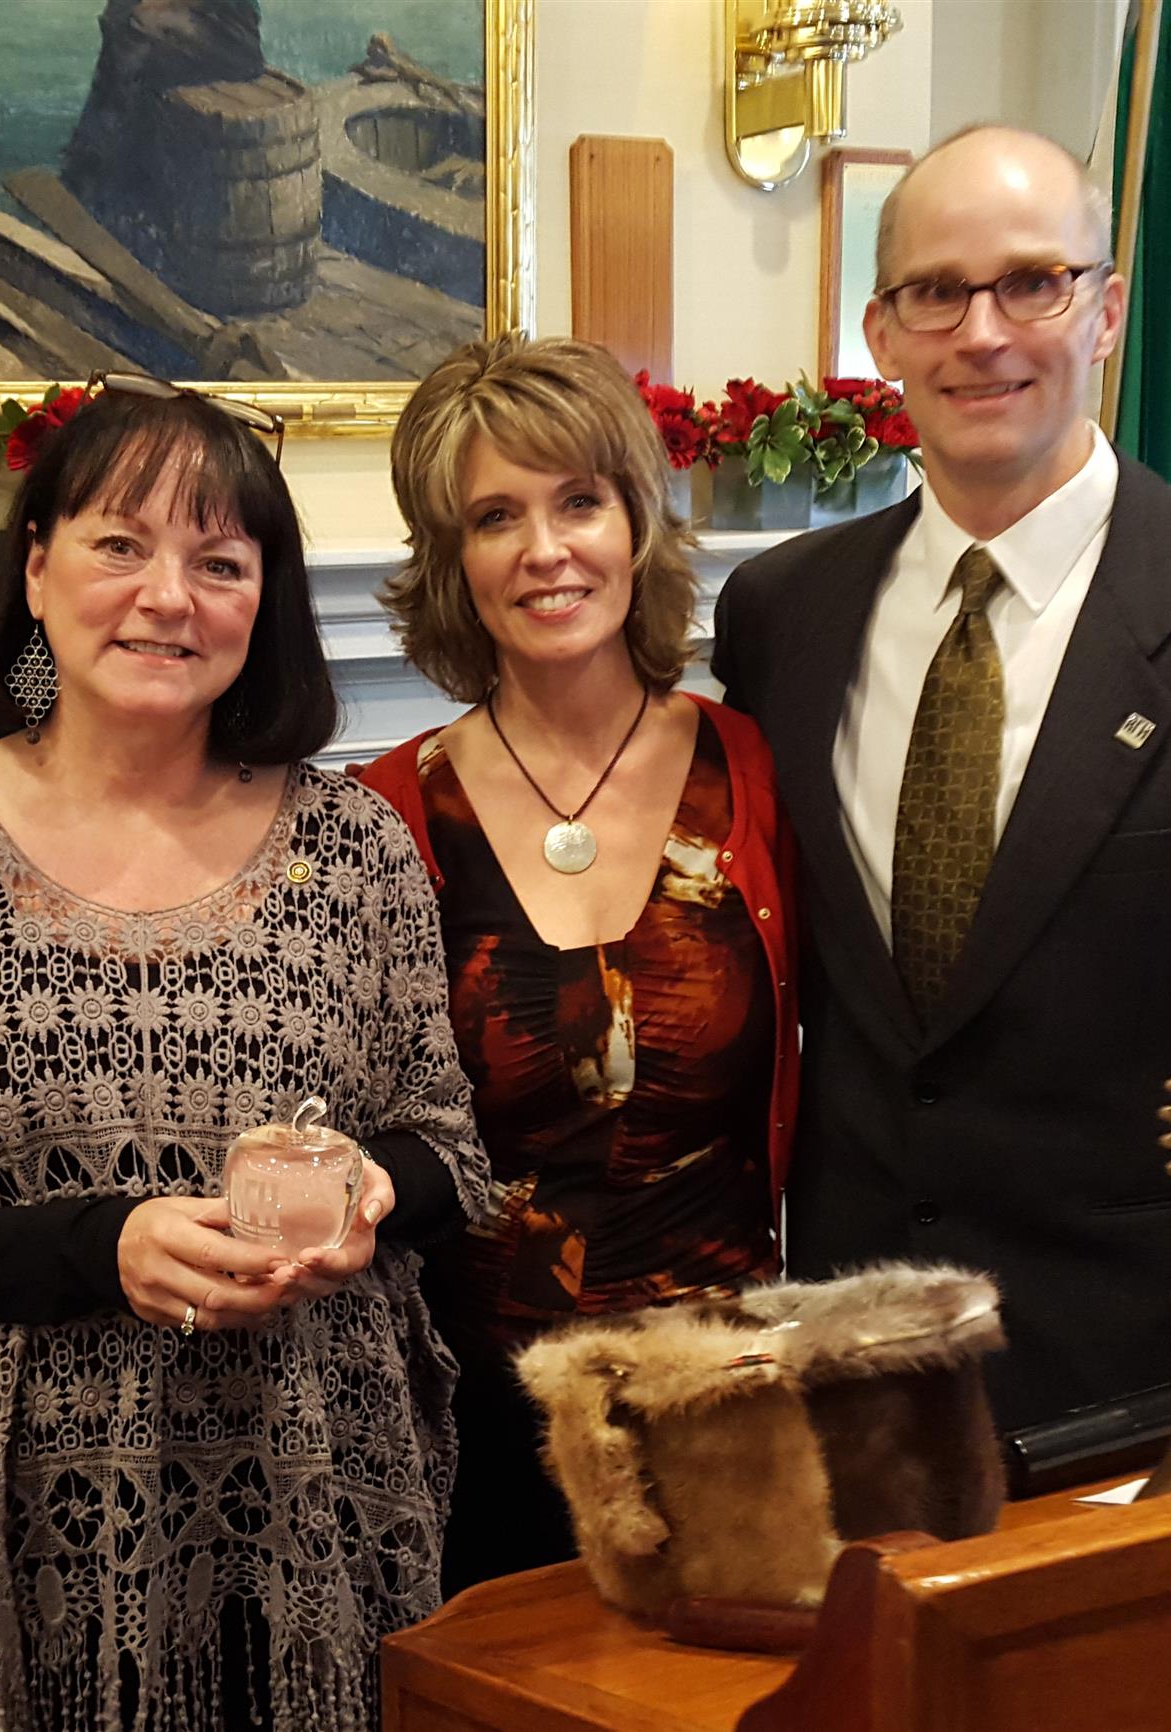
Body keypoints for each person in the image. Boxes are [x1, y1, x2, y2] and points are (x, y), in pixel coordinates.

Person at [0, 377, 486, 1732]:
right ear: (36, 570)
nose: (168, 596)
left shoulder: (354, 845)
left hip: (316, 1508)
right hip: (12, 1544)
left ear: (262, 601)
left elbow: (446, 1149)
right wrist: (109, 1250)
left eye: (220, 562)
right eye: (120, 544)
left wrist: (373, 1189)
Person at [712, 125, 1171, 1435]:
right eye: (937, 292)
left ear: (1105, 313)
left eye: (1032, 283)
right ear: (882, 333)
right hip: (855, 1356)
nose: (981, 332)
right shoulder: (781, 614)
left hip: (1151, 1377)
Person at [360, 334, 798, 1592]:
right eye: (495, 517)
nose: (545, 549)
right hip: (476, 1419)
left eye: (579, 501)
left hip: (725, 1394)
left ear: (636, 523)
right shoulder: (386, 813)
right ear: (453, 562)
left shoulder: (755, 767)